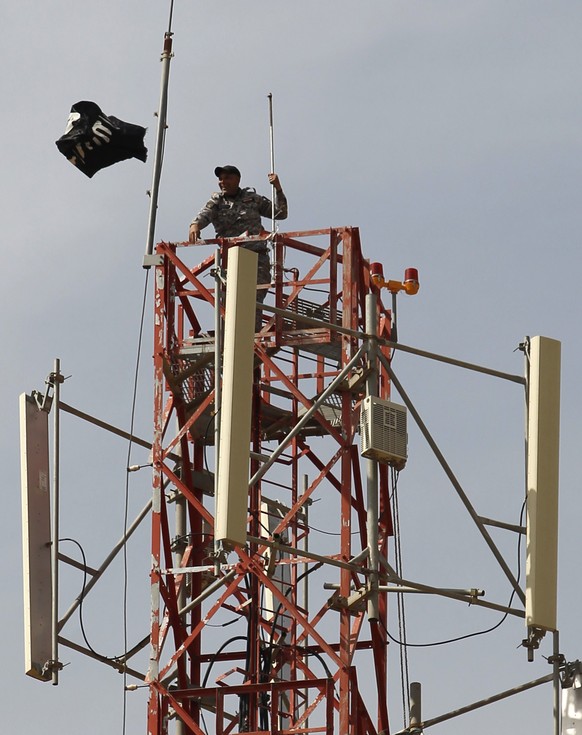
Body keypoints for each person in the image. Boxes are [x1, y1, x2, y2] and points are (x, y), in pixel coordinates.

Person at [188, 165, 288, 330]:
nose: (222, 182)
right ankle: (227, 336)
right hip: (230, 259)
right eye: (220, 179)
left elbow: (280, 213)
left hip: (257, 257)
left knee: (254, 296)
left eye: (227, 178)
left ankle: (251, 335)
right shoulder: (217, 202)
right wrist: (195, 225)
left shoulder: (253, 199)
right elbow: (204, 215)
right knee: (229, 299)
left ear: (237, 179)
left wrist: (278, 188)